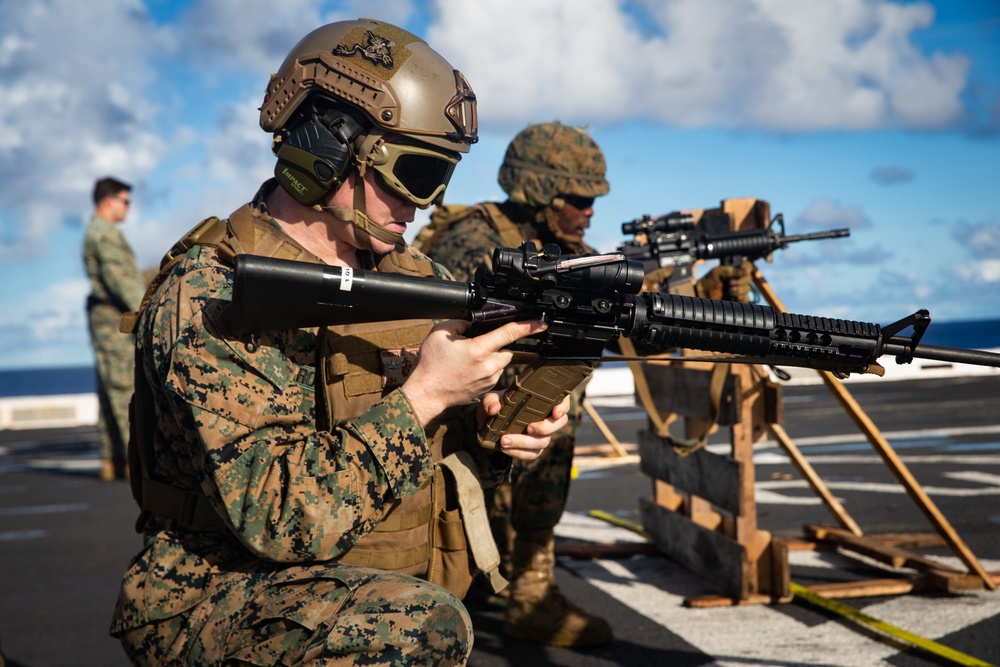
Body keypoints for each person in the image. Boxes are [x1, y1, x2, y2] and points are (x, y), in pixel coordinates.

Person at [109, 19, 568, 666]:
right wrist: (426, 394)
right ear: (330, 149)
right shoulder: (213, 294)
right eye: (415, 172)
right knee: (420, 627)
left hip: (355, 575)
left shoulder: (413, 279)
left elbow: (435, 444)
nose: (428, 203)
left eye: (443, 176)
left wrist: (494, 426)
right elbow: (277, 513)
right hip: (212, 593)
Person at [418, 121, 753, 648]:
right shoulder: (477, 246)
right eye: (579, 198)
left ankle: (502, 576)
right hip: (461, 422)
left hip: (492, 426)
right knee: (556, 404)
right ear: (540, 193)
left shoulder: (556, 249)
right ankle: (528, 591)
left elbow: (626, 326)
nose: (590, 209)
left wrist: (710, 296)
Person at [83, 176, 145, 481]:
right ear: (109, 201)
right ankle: (135, 463)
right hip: (114, 320)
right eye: (125, 201)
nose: (128, 208)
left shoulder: (99, 232)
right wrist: (147, 311)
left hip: (106, 319)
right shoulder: (105, 234)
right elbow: (121, 280)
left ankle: (114, 462)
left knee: (110, 391)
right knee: (124, 390)